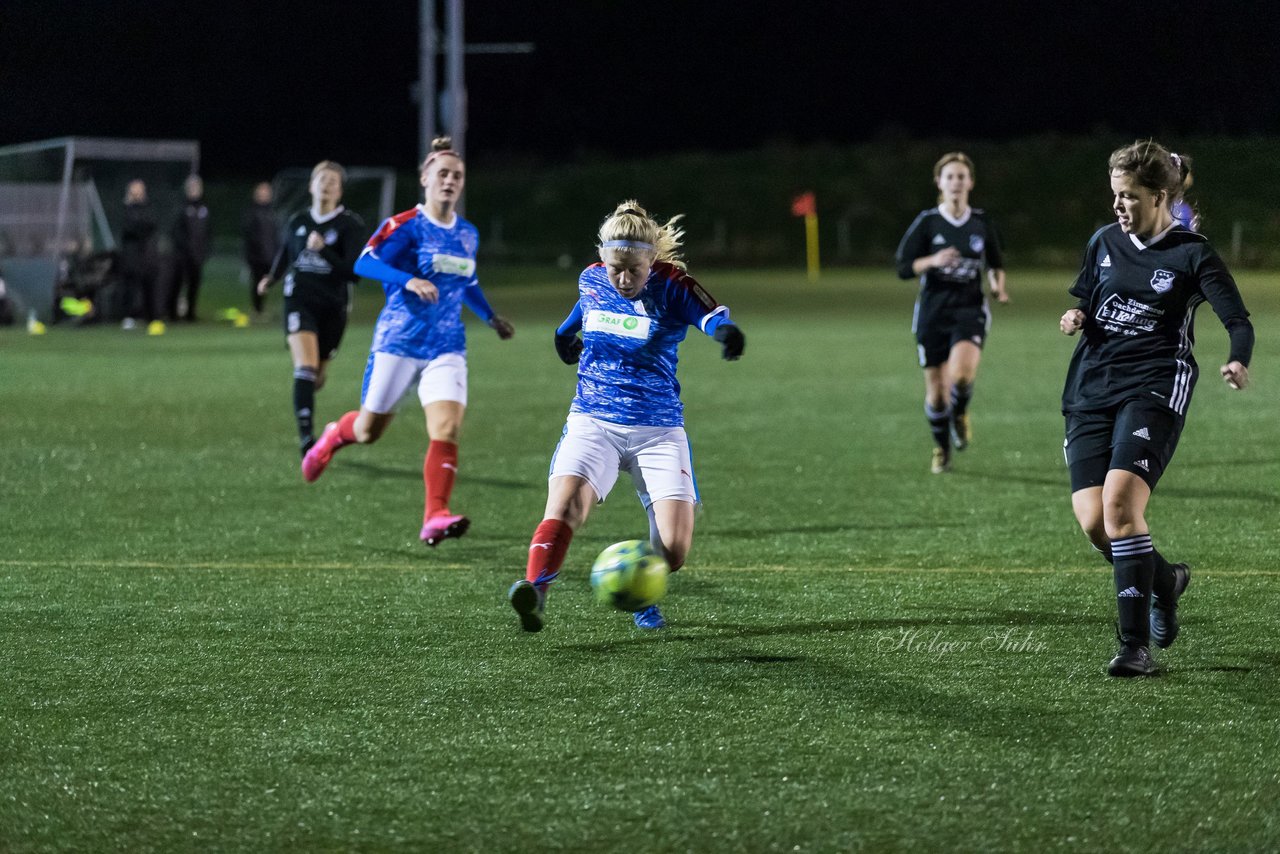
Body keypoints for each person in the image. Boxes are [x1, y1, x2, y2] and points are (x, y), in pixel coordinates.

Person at [1059, 140, 1253, 678]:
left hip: (1154, 388)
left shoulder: (1193, 253)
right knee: (1097, 525)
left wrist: (1238, 361)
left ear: (1161, 196)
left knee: (1121, 506)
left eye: (1130, 196)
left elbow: (1238, 320)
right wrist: (1077, 317)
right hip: (1090, 390)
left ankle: (1134, 647)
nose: (1119, 206)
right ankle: (1165, 582)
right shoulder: (1103, 241)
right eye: (1116, 195)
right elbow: (1089, 297)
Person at [506, 200, 746, 632]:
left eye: (634, 268)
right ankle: (536, 589)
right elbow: (584, 311)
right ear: (603, 259)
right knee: (564, 509)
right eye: (616, 267)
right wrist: (563, 336)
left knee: (673, 550)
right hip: (593, 419)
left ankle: (641, 586)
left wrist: (725, 333)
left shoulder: (673, 285)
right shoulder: (593, 279)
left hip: (657, 429)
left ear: (651, 258)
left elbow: (709, 315)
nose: (624, 278)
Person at [299, 137, 515, 547]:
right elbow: (365, 262)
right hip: (399, 342)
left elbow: (467, 281)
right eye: (443, 174)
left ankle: (435, 515)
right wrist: (408, 279)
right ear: (425, 179)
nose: (450, 181)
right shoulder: (405, 226)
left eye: (457, 175)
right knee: (367, 431)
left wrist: (490, 317)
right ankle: (332, 437)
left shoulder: (468, 234)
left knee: (447, 429)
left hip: (447, 346)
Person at [894, 152, 1009, 474]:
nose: (956, 182)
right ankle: (942, 448)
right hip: (932, 312)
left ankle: (960, 413)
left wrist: (998, 287)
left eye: (962, 176)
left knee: (960, 375)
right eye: (950, 177)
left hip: (969, 309)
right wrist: (932, 261)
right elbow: (903, 267)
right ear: (939, 182)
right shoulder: (928, 221)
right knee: (937, 394)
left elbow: (996, 264)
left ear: (970, 182)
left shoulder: (981, 222)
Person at [257, 161, 366, 459]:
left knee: (315, 378)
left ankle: (310, 401)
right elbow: (285, 254)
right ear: (311, 185)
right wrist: (272, 278)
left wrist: (324, 250)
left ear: (340, 190)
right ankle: (308, 440)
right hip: (299, 300)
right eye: (321, 179)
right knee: (304, 368)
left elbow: (353, 273)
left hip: (333, 307)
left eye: (333, 181)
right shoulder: (298, 221)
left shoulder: (350, 225)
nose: (326, 185)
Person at [117, 179, 163, 334]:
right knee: (130, 287)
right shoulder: (126, 208)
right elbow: (129, 229)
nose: (137, 193)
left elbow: (151, 225)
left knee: (150, 286)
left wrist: (141, 227)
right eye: (134, 190)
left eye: (140, 190)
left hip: (147, 256)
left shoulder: (148, 208)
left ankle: (152, 317)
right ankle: (128, 317)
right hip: (131, 255)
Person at [169, 174, 211, 321]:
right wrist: (186, 249)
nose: (194, 190)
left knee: (194, 284)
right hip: (183, 255)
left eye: (197, 187)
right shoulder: (182, 207)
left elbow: (208, 232)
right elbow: (176, 232)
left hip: (198, 255)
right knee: (178, 283)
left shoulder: (204, 209)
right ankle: (172, 314)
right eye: (192, 187)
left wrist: (205, 250)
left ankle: (190, 313)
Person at [243, 181, 280, 318]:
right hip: (256, 256)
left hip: (270, 256)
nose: (265, 195)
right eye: (262, 192)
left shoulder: (271, 213)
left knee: (266, 281)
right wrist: (253, 254)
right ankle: (257, 309)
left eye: (267, 192)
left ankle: (262, 308)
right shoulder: (252, 212)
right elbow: (249, 235)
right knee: (257, 282)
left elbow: (274, 235)